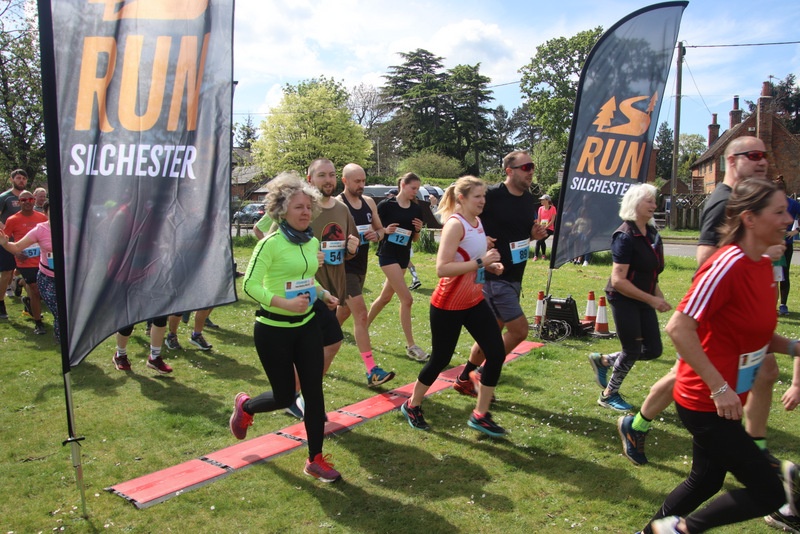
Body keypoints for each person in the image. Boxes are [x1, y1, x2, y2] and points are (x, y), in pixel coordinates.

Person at [615, 136, 782, 468]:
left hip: (738, 312)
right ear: (732, 160)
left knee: (765, 369)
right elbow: (706, 259)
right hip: (714, 313)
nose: (762, 161)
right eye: (753, 155)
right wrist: (761, 254)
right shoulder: (723, 202)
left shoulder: (741, 198)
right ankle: (637, 425)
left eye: (765, 155)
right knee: (688, 373)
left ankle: (755, 447)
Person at [646, 178, 800, 534]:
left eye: (787, 212)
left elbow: (753, 333)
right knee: (769, 491)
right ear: (750, 219)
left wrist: (793, 347)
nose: (787, 220)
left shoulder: (761, 265)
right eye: (778, 212)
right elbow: (679, 327)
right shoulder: (726, 265)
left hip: (729, 399)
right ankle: (676, 530)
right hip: (706, 400)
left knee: (706, 480)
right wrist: (718, 388)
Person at [229, 172, 342, 483]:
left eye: (308, 206)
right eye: (298, 207)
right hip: (273, 330)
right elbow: (250, 285)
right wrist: (283, 303)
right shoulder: (270, 244)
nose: (305, 212)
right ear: (282, 210)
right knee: (284, 396)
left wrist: (323, 294)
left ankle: (315, 459)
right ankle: (246, 406)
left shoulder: (311, 241)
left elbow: (305, 279)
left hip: (306, 327)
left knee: (313, 392)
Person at [400, 176, 508, 436]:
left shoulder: (477, 223)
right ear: (462, 198)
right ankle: (412, 404)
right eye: (477, 197)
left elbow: (471, 260)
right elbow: (442, 268)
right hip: (448, 304)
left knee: (496, 353)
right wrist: (482, 262)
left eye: (484, 196)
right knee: (441, 359)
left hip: (474, 300)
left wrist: (490, 266)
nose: (482, 201)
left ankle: (480, 415)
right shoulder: (455, 225)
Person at [452, 151, 547, 397]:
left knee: (490, 334)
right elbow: (461, 218)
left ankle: (465, 378)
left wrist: (533, 235)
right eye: (526, 167)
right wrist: (480, 238)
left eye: (532, 166)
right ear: (509, 171)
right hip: (494, 276)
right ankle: (482, 374)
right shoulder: (491, 195)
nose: (530, 171)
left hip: (515, 275)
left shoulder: (528, 199)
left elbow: (519, 234)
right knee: (519, 331)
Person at [587, 184, 671, 412]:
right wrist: (652, 300)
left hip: (644, 298)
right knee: (632, 349)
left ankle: (604, 361)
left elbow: (651, 271)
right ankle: (608, 395)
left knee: (653, 349)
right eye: (649, 201)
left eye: (654, 201)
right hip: (623, 298)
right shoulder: (624, 235)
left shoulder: (652, 234)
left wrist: (657, 294)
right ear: (634, 204)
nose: (654, 205)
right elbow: (618, 280)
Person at [336, 163, 396, 387]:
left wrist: (376, 235)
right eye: (357, 181)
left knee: (341, 315)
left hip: (361, 267)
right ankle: (372, 371)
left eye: (363, 181)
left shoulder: (369, 202)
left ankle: (316, 346)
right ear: (345, 181)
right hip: (344, 268)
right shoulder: (337, 205)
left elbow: (381, 230)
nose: (361, 185)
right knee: (361, 315)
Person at [367, 172, 429, 362]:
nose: (415, 192)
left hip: (403, 256)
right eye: (413, 188)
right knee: (407, 299)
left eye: (417, 189)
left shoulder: (416, 209)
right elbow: (374, 231)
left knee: (385, 297)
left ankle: (362, 328)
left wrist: (418, 230)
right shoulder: (386, 206)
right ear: (402, 184)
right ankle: (411, 346)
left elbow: (415, 239)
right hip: (387, 255)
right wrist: (385, 231)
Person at [0, 200, 58, 339]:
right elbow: (17, 247)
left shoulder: (72, 228)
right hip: (47, 276)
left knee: (68, 310)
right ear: (46, 214)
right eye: (52, 212)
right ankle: (58, 334)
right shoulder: (40, 229)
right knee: (58, 309)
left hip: (68, 277)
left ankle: (63, 337)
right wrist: (5, 244)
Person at [0, 169, 28, 319]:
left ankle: (30, 304)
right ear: (12, 180)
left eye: (23, 178)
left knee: (27, 272)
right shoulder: (4, 197)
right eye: (18, 178)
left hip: (25, 241)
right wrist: (5, 230)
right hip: (7, 241)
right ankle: (1, 304)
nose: (21, 180)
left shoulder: (28, 197)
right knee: (6, 272)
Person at [774, 176, 800, 316]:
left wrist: (796, 231)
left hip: (786, 244)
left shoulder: (792, 204)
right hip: (770, 244)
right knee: (770, 275)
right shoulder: (769, 203)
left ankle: (783, 305)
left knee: (784, 273)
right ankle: (770, 306)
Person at [533, 194, 556, 261]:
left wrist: (546, 227)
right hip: (541, 227)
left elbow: (552, 220)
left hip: (549, 228)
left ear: (547, 200)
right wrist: (538, 227)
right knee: (539, 240)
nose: (541, 201)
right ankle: (536, 256)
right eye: (541, 200)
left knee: (541, 239)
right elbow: (539, 219)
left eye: (542, 200)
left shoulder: (553, 208)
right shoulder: (540, 208)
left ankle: (542, 255)